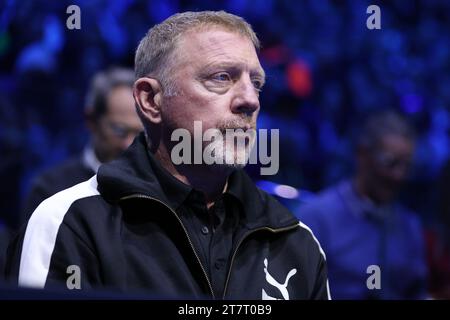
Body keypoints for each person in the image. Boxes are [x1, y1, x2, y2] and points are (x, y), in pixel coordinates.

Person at [6, 11, 330, 299]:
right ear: (150, 100)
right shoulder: (72, 222)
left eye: (256, 82)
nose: (250, 100)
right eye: (221, 77)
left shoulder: (295, 241)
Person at [297, 111, 428, 299]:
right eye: (390, 163)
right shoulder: (317, 218)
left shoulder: (409, 226)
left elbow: (417, 292)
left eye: (406, 166)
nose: (398, 175)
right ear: (363, 155)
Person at [21, 67, 143, 223]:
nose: (129, 144)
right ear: (91, 120)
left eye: (140, 134)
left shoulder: (157, 187)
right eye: (119, 130)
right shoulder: (50, 191)